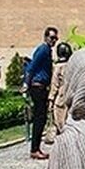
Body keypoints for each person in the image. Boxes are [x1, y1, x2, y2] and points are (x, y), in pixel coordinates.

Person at [24, 26, 58, 160]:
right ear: (45, 37)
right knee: (40, 118)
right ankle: (34, 149)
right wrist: (26, 83)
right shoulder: (43, 49)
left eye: (55, 38)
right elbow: (32, 67)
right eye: (51, 38)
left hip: (42, 86)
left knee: (41, 118)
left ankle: (36, 147)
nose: (54, 40)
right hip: (38, 87)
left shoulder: (47, 50)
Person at [48, 41, 74, 138]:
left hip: (61, 96)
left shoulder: (58, 67)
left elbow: (54, 84)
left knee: (60, 120)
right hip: (72, 94)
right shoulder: (72, 65)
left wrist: (51, 99)